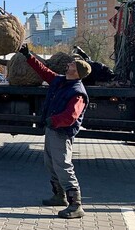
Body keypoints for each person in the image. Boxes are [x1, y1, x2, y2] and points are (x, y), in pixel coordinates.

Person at [19, 44, 91, 219]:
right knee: (50, 163)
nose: (69, 65)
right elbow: (44, 71)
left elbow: (71, 116)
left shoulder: (77, 92)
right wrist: (28, 56)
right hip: (52, 129)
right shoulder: (61, 81)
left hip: (61, 132)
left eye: (72, 65)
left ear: (77, 72)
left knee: (63, 166)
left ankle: (76, 205)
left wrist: (54, 120)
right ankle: (60, 196)